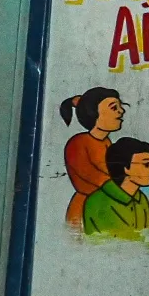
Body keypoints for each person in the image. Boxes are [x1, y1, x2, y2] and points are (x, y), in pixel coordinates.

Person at [57, 85, 125, 229]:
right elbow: (91, 176)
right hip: (85, 209)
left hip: (107, 205)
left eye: (120, 107)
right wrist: (121, 192)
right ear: (94, 113)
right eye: (114, 108)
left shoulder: (106, 142)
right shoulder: (78, 142)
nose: (121, 111)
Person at [81, 137, 149, 241]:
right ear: (125, 167)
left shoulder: (141, 199)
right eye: (146, 164)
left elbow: (147, 238)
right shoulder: (96, 201)